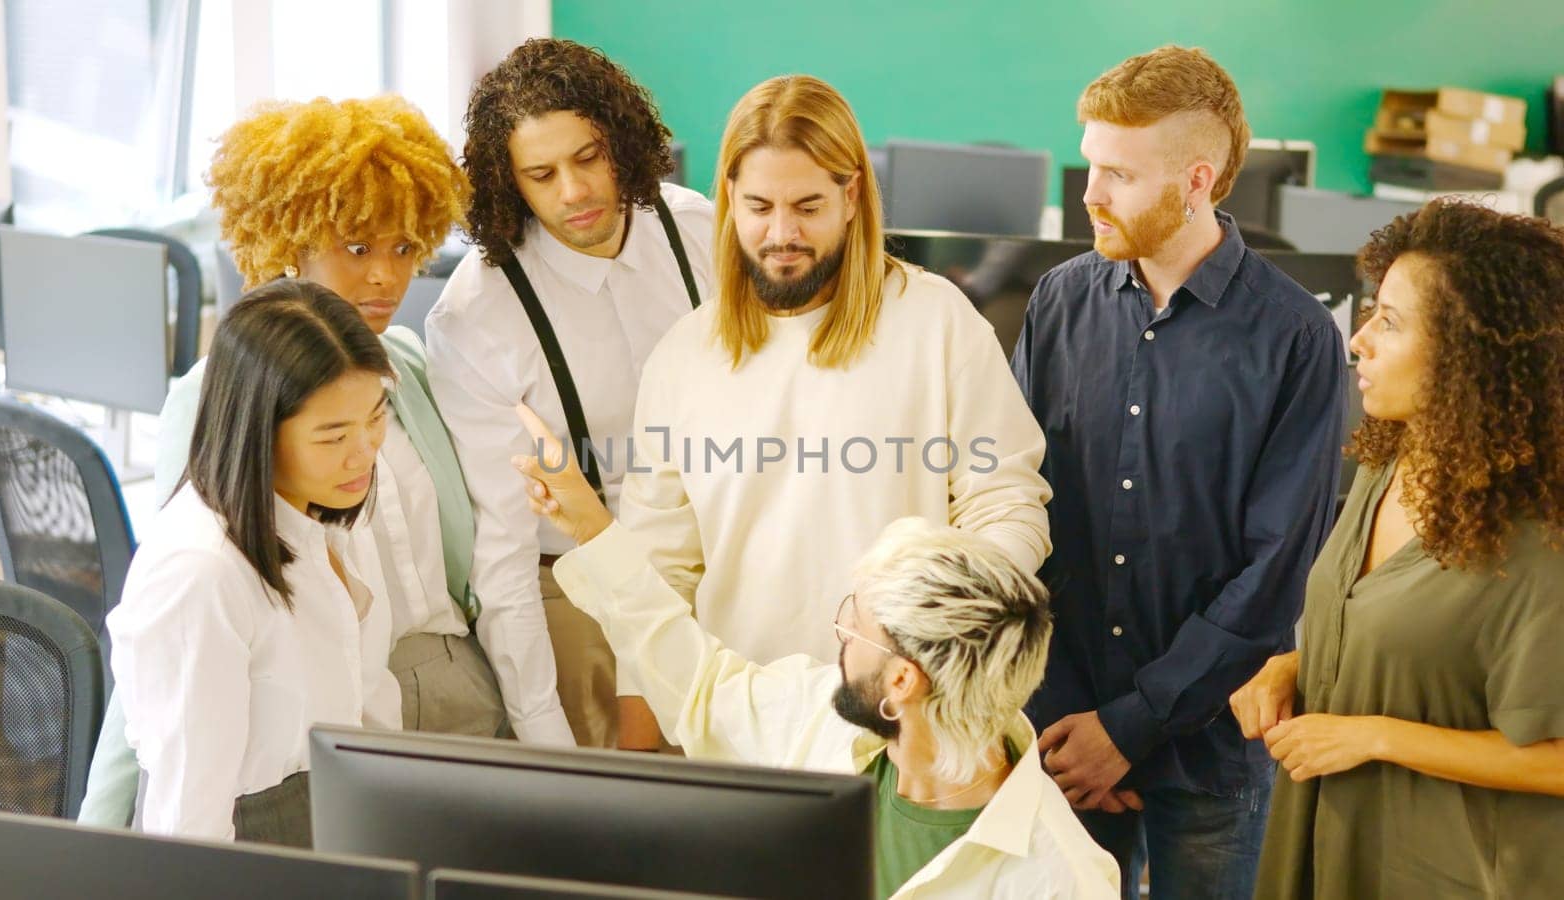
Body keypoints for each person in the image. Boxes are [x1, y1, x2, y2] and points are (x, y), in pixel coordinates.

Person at [79, 94, 552, 829]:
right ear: (288, 238)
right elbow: (173, 644)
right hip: (313, 721)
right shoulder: (223, 395)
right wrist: (100, 833)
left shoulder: (406, 364)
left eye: (404, 249)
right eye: (358, 248)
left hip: (452, 688)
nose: (385, 279)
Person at [510, 404, 1119, 899]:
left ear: (902, 683)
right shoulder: (819, 719)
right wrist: (590, 524)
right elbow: (698, 681)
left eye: (851, 629)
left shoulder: (1063, 878)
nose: (839, 639)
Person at [616, 74, 1051, 747]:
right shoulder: (684, 355)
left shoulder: (938, 322)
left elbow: (1007, 504)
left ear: (851, 197)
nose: (781, 233)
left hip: (912, 725)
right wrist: (638, 741)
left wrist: (944, 636)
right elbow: (658, 569)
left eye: (808, 206)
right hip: (741, 727)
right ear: (728, 198)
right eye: (758, 206)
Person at [1009, 46, 1347, 899]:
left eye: (1118, 174)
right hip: (1060, 730)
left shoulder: (1298, 338)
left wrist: (1131, 728)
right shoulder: (1057, 302)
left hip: (1210, 757)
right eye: (1089, 165)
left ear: (1196, 181)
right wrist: (1070, 722)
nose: (1088, 194)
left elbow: (1275, 574)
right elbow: (1015, 507)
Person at [1235, 200, 1564, 899]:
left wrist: (1376, 736)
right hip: (1331, 846)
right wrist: (1295, 665)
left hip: (1454, 872)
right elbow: (1417, 635)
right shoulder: (1390, 465)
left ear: (1472, 352)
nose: (1359, 340)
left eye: (1389, 321)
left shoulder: (1540, 537)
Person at [426, 38, 715, 749]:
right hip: (580, 595)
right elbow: (503, 546)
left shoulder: (699, 228)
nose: (574, 192)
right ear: (509, 182)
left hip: (722, 565)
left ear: (624, 143)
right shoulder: (477, 316)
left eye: (588, 158)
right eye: (542, 173)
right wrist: (541, 728)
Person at [107, 280, 401, 845]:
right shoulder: (203, 571)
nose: (366, 451)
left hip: (337, 809)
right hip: (245, 837)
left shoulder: (325, 506)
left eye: (375, 417)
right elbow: (189, 818)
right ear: (257, 432)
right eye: (333, 435)